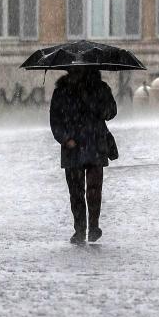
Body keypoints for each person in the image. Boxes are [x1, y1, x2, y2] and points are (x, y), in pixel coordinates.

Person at [49, 68, 117, 244]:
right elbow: (55, 121)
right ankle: (80, 230)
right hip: (72, 148)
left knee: (94, 190)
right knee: (76, 192)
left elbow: (111, 112)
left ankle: (93, 226)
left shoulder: (100, 88)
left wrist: (97, 102)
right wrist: (65, 139)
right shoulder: (62, 92)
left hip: (95, 143)